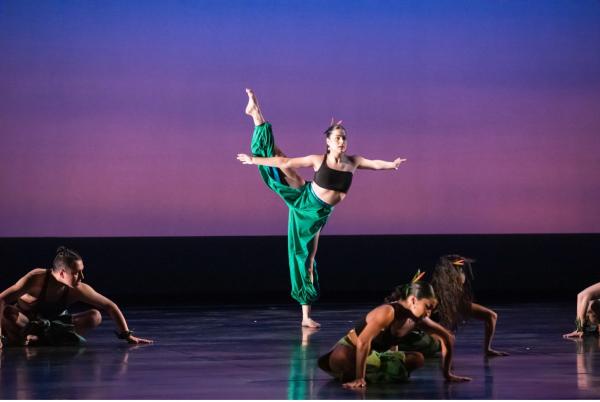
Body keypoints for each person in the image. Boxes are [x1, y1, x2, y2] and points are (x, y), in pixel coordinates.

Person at [237, 88, 406, 327]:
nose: (341, 141)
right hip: (304, 202)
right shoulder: (319, 160)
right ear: (328, 142)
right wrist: (253, 161)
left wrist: (392, 165)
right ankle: (256, 115)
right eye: (337, 137)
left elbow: (375, 164)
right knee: (278, 160)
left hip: (319, 214)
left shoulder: (353, 162)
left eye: (344, 137)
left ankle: (256, 115)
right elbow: (285, 162)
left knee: (309, 261)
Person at [317, 277, 471, 389]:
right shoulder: (387, 312)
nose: (429, 313)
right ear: (412, 300)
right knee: (344, 358)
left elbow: (447, 337)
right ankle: (362, 374)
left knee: (417, 359)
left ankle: (374, 372)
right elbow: (363, 342)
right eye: (427, 307)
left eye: (432, 308)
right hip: (350, 351)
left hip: (374, 355)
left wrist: (447, 374)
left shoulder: (419, 318)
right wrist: (359, 378)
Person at [0, 246, 152, 348]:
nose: (82, 276)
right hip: (26, 324)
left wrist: (127, 335)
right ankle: (33, 338)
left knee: (95, 316)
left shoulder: (77, 288)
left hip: (55, 326)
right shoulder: (36, 278)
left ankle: (38, 339)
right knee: (7, 313)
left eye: (82, 271)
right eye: (76, 273)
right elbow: (2, 299)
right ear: (61, 273)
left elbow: (110, 306)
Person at [397, 255, 509, 357]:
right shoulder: (431, 295)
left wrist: (488, 349)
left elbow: (491, 316)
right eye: (461, 272)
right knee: (445, 338)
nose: (464, 276)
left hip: (401, 336)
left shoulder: (451, 299)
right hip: (404, 336)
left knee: (445, 338)